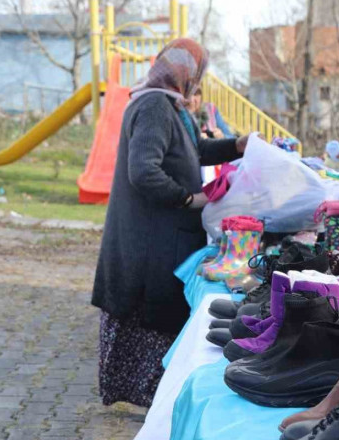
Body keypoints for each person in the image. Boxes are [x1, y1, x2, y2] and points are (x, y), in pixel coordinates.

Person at [91, 38, 249, 407]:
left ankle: (150, 397)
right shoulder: (154, 107)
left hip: (159, 236)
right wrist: (186, 198)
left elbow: (194, 151)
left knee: (155, 318)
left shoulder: (170, 106)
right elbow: (144, 171)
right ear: (187, 74)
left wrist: (236, 146)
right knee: (149, 317)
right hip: (149, 240)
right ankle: (149, 399)